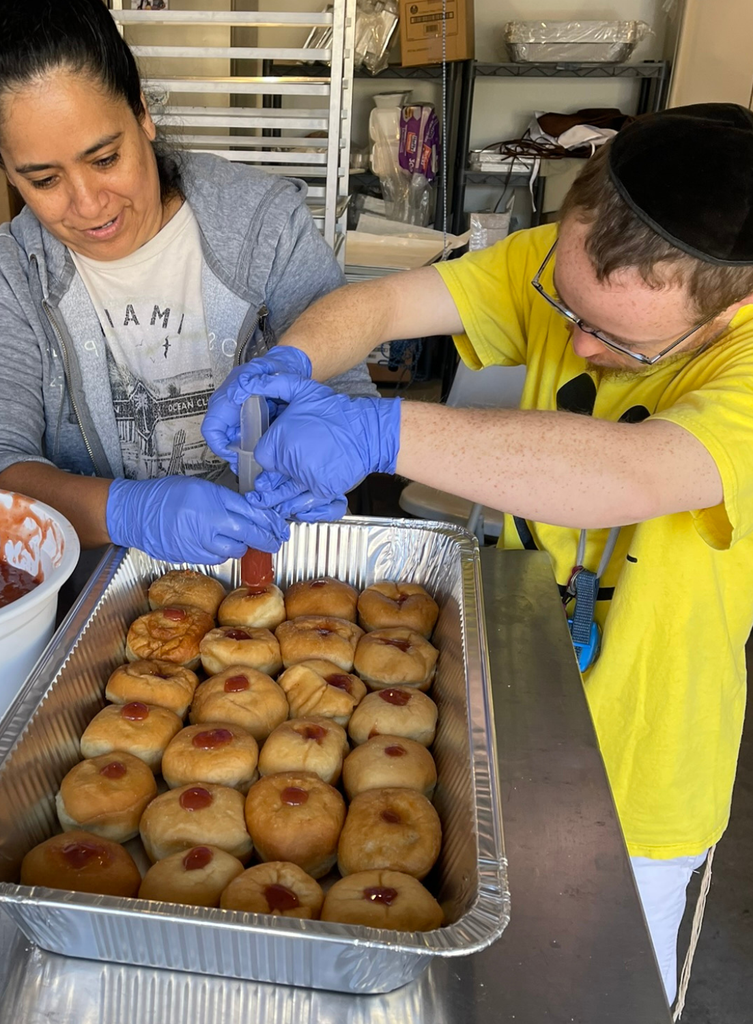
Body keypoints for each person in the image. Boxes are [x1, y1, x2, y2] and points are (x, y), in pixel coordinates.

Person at [204, 103, 753, 1007]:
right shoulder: (565, 260)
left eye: (620, 339)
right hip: (503, 721)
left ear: (728, 307)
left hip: (641, 769)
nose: (578, 345)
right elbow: (387, 302)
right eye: (567, 307)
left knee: (588, 996)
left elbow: (633, 473)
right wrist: (293, 362)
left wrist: (381, 431)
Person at [0, 0, 374, 565]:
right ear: (5, 167)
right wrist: (125, 512)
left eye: (105, 159)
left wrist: (326, 454)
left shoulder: (263, 225)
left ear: (143, 113)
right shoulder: (5, 276)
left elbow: (347, 392)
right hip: (91, 582)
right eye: (44, 179)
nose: (88, 204)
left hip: (271, 564)